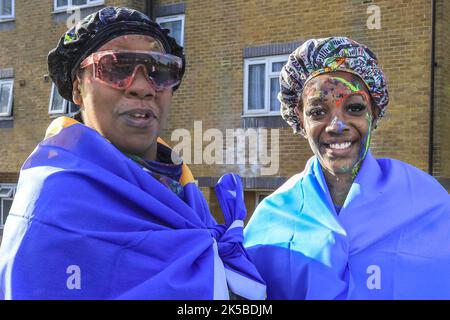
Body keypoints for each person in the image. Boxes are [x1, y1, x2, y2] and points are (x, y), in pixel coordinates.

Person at [0, 6, 265, 300]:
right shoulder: (52, 202)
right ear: (77, 88)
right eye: (116, 67)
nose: (142, 87)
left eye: (159, 70)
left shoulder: (184, 191)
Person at [243, 36, 450, 299]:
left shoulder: (428, 202)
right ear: (300, 118)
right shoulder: (271, 217)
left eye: (354, 107)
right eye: (318, 112)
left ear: (374, 112)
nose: (337, 126)